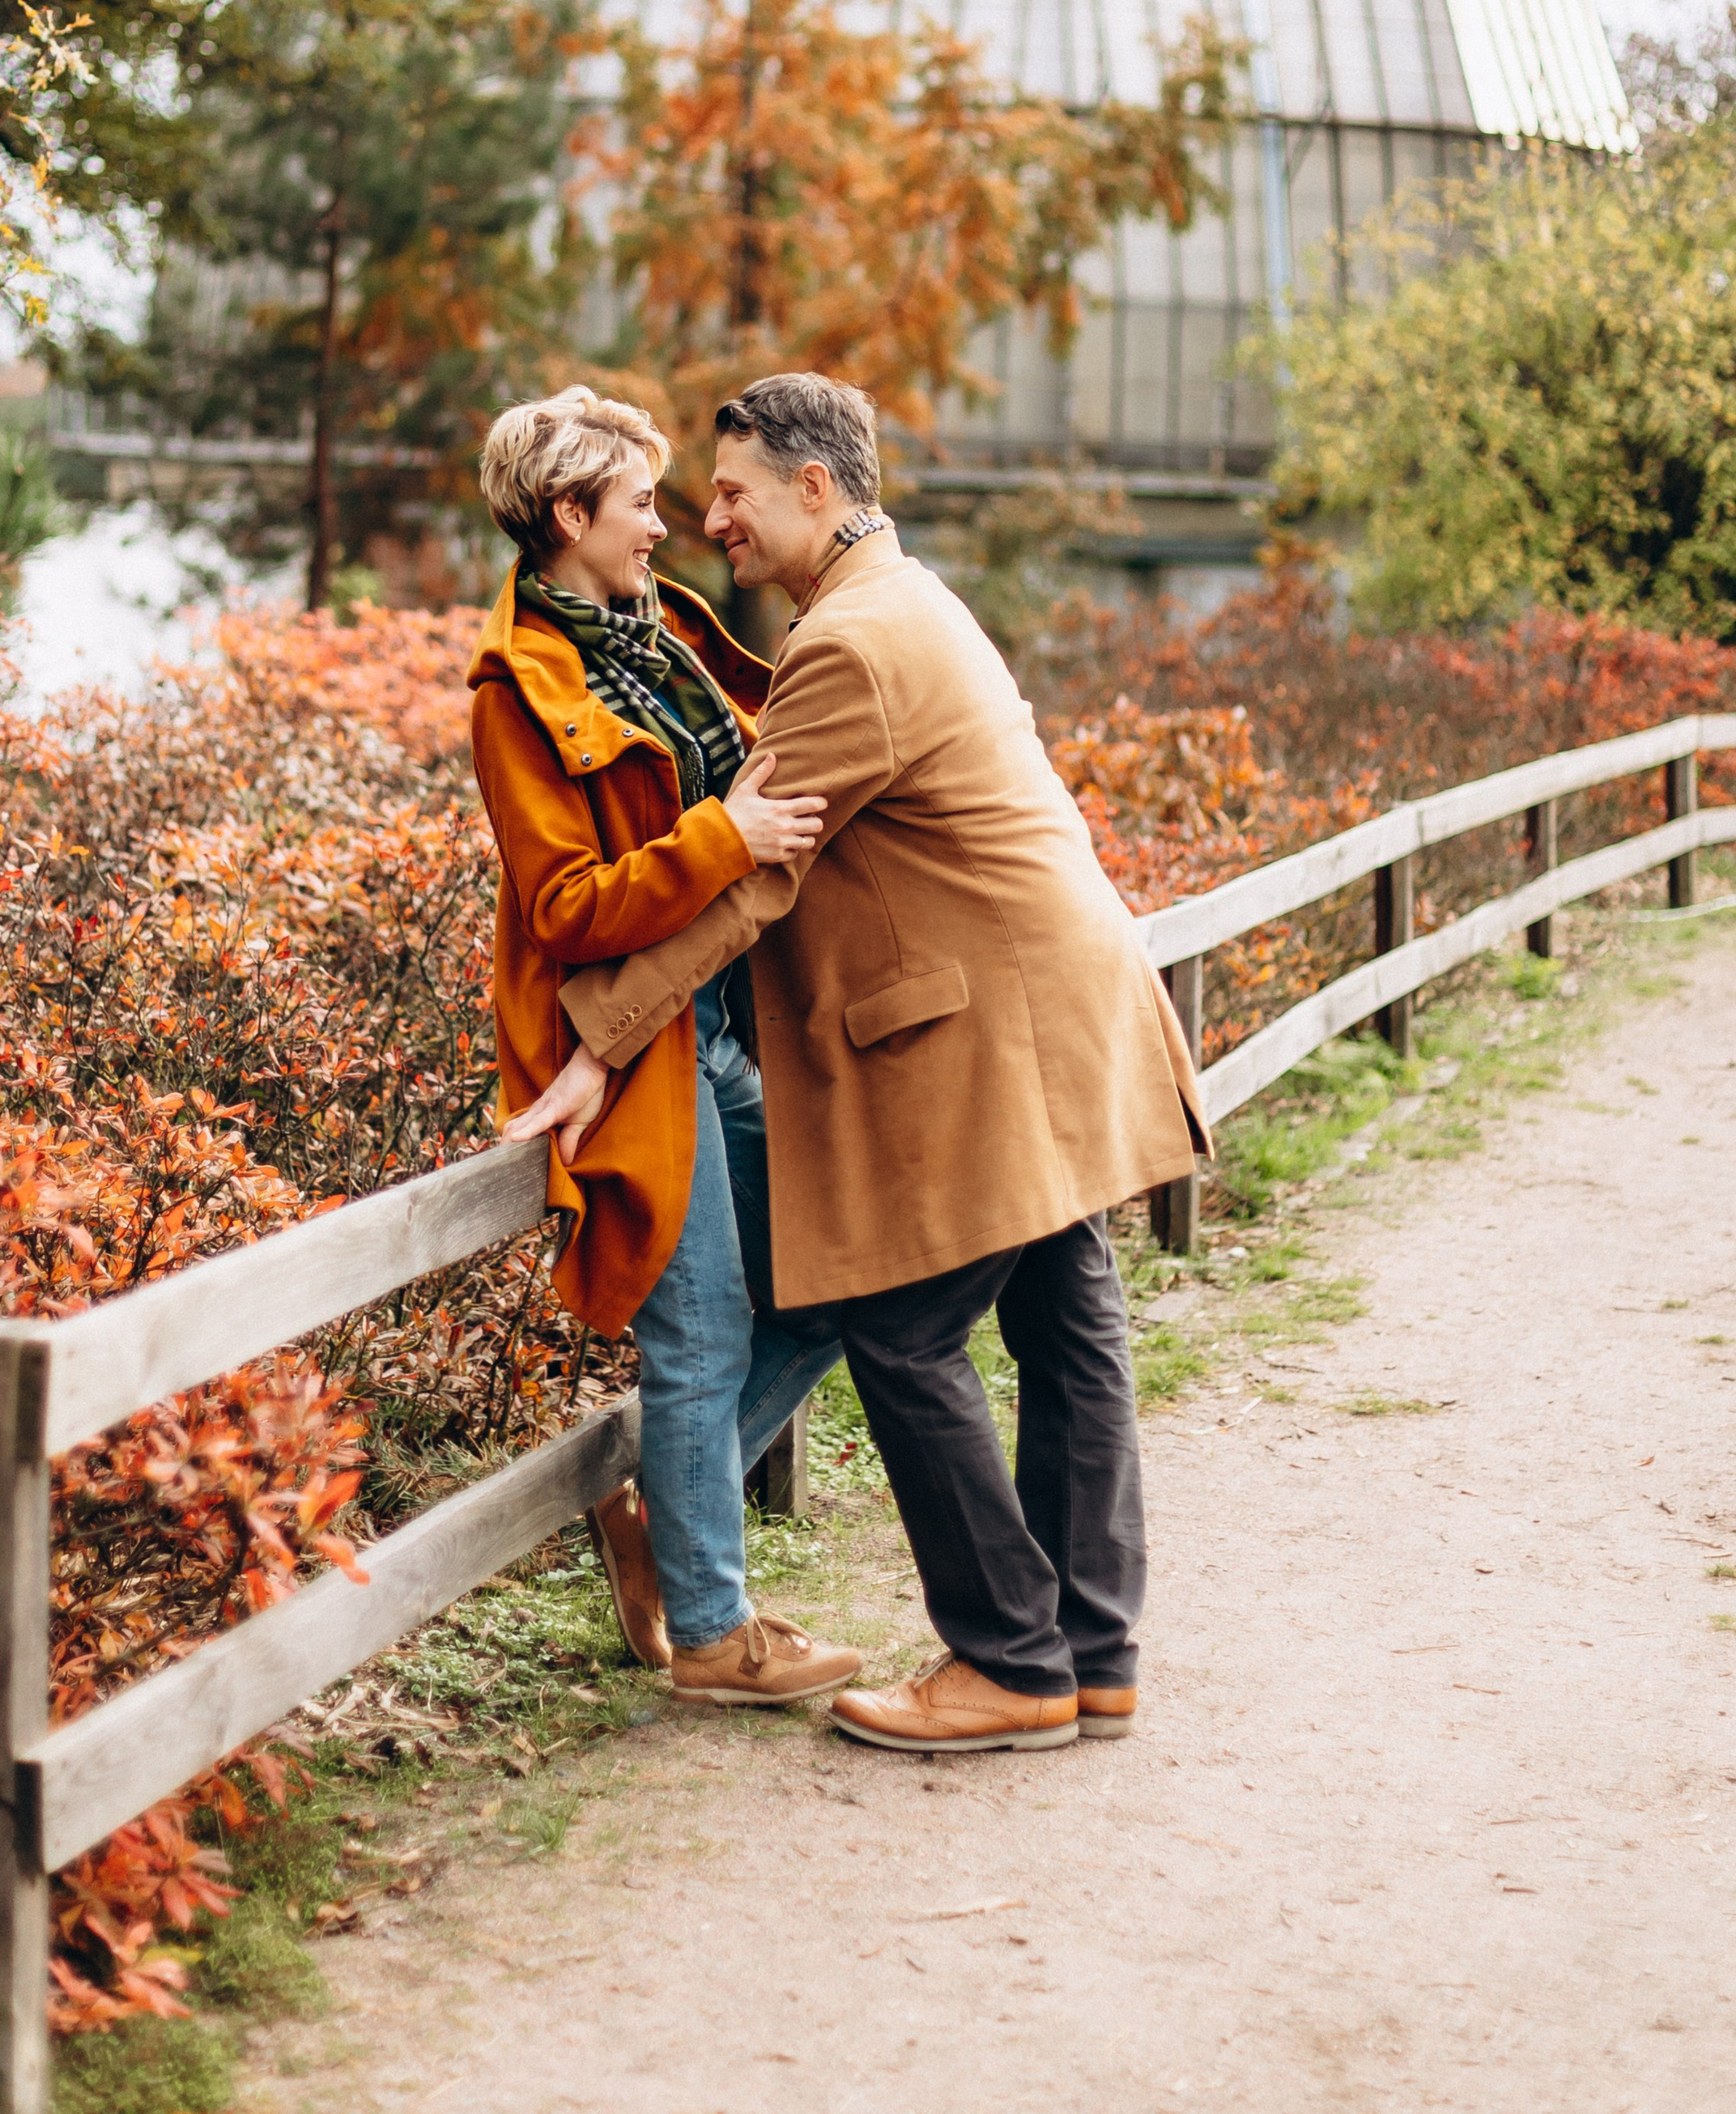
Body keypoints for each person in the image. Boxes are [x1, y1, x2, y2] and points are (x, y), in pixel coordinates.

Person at [555, 372, 1208, 1757]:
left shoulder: (849, 645)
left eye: (732, 491)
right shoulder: (909, 602)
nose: (710, 516)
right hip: (1062, 1002)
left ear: (812, 487)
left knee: (903, 1332)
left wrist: (594, 1041)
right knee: (1065, 1315)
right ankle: (1090, 1654)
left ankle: (1011, 1661)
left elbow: (750, 882)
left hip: (991, 1036)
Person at [466, 386, 857, 1708]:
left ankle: (652, 1512)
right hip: (634, 1043)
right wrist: (724, 840)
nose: (667, 522)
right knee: (700, 1335)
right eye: (639, 501)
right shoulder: (518, 692)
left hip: (730, 1019)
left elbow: (775, 745)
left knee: (828, 1287)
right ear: (571, 515)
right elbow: (567, 905)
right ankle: (712, 1633)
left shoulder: (662, 627)